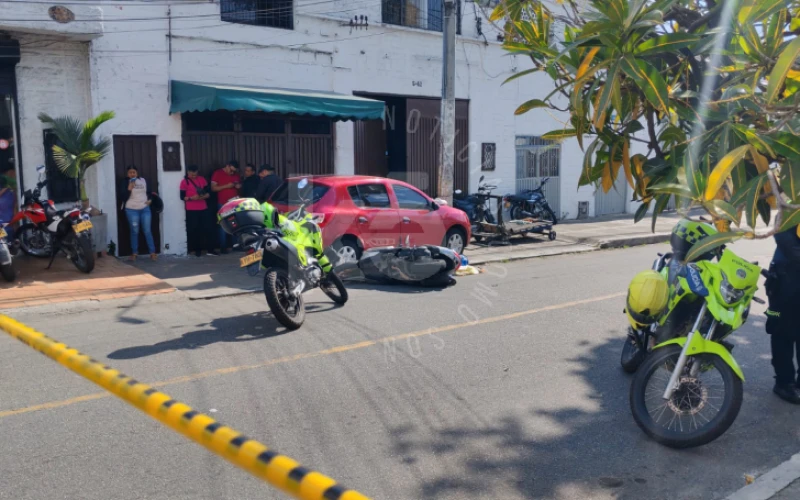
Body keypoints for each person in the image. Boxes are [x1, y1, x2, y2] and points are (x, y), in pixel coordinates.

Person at [766, 222, 800, 404]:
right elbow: (781, 234)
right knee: (782, 332)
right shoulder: (791, 199)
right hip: (785, 278)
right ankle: (784, 383)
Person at [119, 165, 157, 261]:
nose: (132, 174)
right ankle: (134, 253)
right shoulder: (125, 182)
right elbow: (122, 197)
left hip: (145, 208)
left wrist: (150, 200)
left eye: (134, 172)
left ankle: (152, 252)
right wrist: (129, 188)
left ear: (137, 173)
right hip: (131, 210)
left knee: (147, 230)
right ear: (127, 174)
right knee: (134, 231)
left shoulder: (143, 180)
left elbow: (149, 193)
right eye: (130, 172)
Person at [181, 165, 218, 257]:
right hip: (191, 209)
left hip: (203, 207)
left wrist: (205, 196)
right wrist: (191, 198)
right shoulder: (184, 182)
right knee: (195, 230)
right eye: (192, 175)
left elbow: (208, 192)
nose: (193, 176)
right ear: (188, 172)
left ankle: (210, 249)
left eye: (195, 174)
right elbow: (182, 197)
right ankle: (197, 250)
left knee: (208, 228)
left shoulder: (201, 179)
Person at [211, 160, 241, 254]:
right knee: (223, 225)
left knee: (235, 224)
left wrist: (238, 186)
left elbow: (239, 185)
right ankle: (223, 247)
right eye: (231, 170)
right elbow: (213, 188)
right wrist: (227, 186)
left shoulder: (235, 174)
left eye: (234, 171)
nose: (232, 172)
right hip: (223, 203)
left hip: (234, 203)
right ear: (227, 166)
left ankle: (235, 246)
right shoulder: (218, 173)